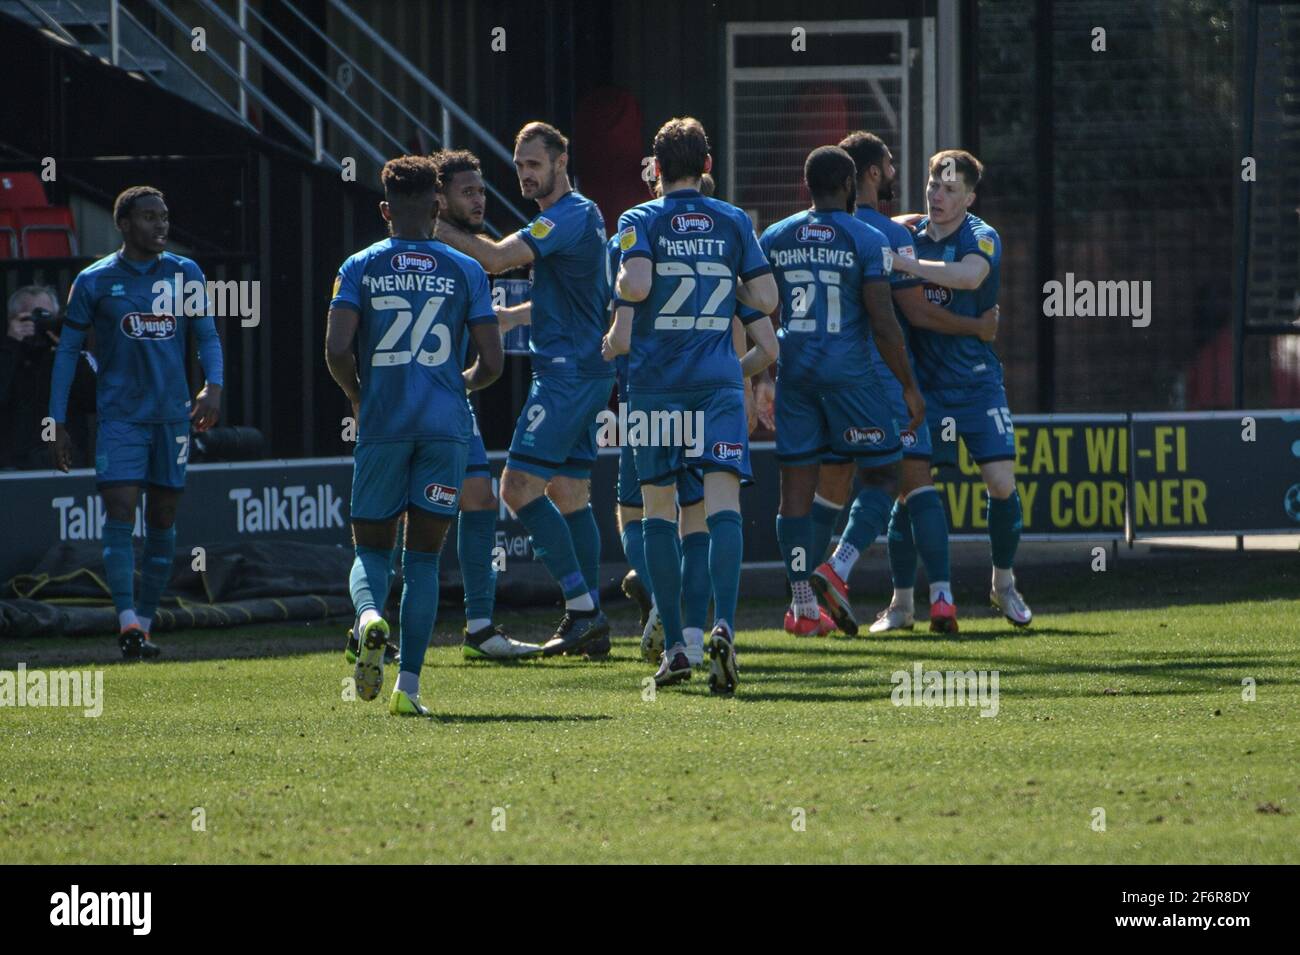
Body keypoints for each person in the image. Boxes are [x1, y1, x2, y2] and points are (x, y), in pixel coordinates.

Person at [326, 155, 503, 717]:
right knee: (424, 560)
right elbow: (493, 363)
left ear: (384, 210)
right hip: (445, 429)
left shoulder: (357, 266)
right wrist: (460, 385)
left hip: (383, 425)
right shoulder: (466, 270)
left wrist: (359, 394)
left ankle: (371, 617)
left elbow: (335, 351)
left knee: (372, 550)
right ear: (437, 206)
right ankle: (410, 688)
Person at [613, 117, 779, 693]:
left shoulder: (638, 219)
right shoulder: (732, 220)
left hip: (656, 386)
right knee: (720, 504)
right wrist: (725, 280)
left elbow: (634, 285)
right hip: (716, 385)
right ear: (708, 167)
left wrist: (622, 303)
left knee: (658, 510)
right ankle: (725, 625)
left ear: (655, 171)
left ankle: (678, 648)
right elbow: (768, 299)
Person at [437, 122, 614, 659]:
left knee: (515, 489)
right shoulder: (573, 218)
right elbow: (581, 298)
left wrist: (429, 225)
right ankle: (592, 622)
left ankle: (583, 610)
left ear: (561, 161)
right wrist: (515, 316)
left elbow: (494, 260)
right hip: (584, 369)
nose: (525, 175)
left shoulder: (570, 213)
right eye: (518, 166)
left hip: (566, 376)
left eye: (534, 164)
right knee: (571, 494)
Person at [811, 131, 999, 635]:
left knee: (821, 492)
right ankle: (930, 595)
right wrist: (977, 327)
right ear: (871, 173)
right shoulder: (892, 237)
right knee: (909, 483)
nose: (901, 175)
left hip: (818, 378)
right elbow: (916, 312)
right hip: (885, 378)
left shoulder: (812, 230)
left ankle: (804, 605)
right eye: (891, 165)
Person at [49, 186, 224, 660]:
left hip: (172, 417)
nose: (160, 225)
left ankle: (144, 626)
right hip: (121, 417)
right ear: (123, 225)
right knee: (121, 509)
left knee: (164, 517)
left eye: (164, 217)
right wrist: (56, 421)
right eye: (148, 217)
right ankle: (126, 620)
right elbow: (67, 351)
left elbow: (206, 334)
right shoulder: (94, 279)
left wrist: (213, 386)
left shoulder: (184, 273)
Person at [760, 146, 925, 639]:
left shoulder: (774, 237)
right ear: (851, 184)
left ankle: (802, 605)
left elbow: (758, 310)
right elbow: (883, 321)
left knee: (795, 494)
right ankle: (838, 567)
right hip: (850, 376)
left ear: (807, 186)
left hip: (796, 376)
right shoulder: (866, 237)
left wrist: (760, 378)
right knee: (883, 472)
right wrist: (909, 386)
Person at [888, 149, 1032, 626]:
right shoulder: (908, 234)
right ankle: (902, 603)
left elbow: (970, 277)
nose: (937, 195)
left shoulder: (982, 236)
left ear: (969, 197)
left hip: (976, 384)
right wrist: (901, 235)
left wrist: (909, 267)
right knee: (912, 492)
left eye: (950, 189)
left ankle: (1003, 583)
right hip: (926, 389)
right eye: (933, 184)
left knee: (1002, 483)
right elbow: (871, 227)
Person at [433, 149, 542, 660]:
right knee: (405, 513)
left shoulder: (466, 257)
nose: (479, 199)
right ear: (439, 199)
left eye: (481, 190)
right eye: (467, 191)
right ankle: (377, 620)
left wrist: (464, 383)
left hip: (452, 399)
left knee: (478, 496)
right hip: (410, 403)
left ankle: (479, 626)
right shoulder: (426, 249)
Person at [1, 285, 95, 470]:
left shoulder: (72, 356)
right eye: (33, 318)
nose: (41, 325)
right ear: (14, 320)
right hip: (13, 464)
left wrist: (68, 350)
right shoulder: (6, 354)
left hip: (67, 459)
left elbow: (94, 400)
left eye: (47, 317)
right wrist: (11, 346)